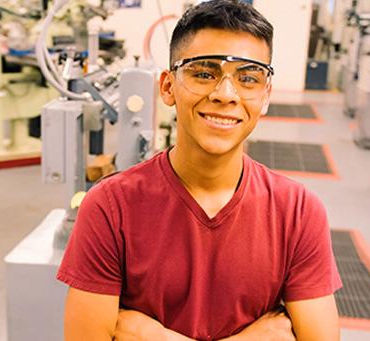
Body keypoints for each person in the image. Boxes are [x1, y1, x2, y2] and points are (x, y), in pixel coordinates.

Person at [56, 1, 342, 340]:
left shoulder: (297, 211)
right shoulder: (110, 206)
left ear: (265, 96)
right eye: (204, 73)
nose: (225, 94)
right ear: (167, 87)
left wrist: (154, 337)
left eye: (248, 78)